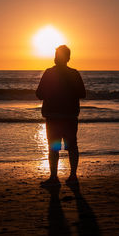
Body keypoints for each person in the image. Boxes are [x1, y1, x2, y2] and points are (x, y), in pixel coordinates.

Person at [36, 45, 86, 186]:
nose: (55, 57)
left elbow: (39, 94)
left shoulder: (49, 73)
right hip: (69, 116)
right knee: (72, 146)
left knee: (54, 147)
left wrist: (51, 94)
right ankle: (72, 176)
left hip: (53, 116)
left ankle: (54, 178)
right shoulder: (74, 73)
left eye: (57, 54)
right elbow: (83, 93)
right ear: (68, 58)